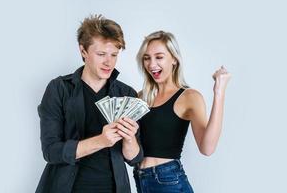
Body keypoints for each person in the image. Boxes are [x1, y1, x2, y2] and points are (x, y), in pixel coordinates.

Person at [36, 15, 143, 193]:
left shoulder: (127, 94)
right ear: (83, 51)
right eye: (101, 54)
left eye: (114, 55)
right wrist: (101, 141)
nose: (109, 62)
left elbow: (134, 158)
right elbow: (51, 151)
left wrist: (130, 139)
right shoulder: (59, 89)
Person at [133, 31, 231, 192]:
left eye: (159, 57)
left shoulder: (189, 97)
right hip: (141, 180)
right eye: (146, 58)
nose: (151, 64)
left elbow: (207, 148)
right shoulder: (140, 97)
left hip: (169, 181)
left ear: (174, 59)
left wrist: (219, 93)